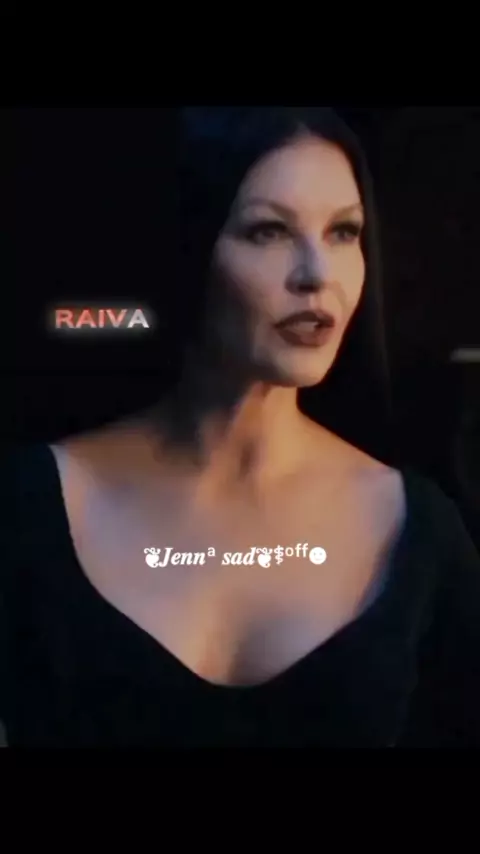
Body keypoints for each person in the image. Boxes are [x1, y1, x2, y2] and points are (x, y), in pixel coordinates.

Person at [2, 106, 480, 747]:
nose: (317, 275)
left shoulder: (417, 529)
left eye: (343, 232)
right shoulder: (31, 504)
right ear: (187, 245)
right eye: (268, 231)